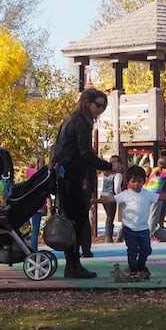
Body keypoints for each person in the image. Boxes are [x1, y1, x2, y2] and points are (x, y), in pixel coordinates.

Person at [51, 87, 117, 279]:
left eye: (103, 107)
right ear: (87, 102)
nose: (100, 110)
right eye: (98, 105)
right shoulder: (82, 122)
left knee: (72, 220)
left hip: (64, 176)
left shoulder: (69, 120)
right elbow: (84, 153)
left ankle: (73, 263)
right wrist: (107, 165)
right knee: (77, 221)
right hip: (73, 178)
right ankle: (73, 265)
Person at [94, 165, 166, 278]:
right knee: (132, 250)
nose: (136, 184)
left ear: (144, 181)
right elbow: (110, 199)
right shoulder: (125, 194)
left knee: (146, 250)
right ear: (128, 181)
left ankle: (141, 265)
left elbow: (160, 196)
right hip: (129, 229)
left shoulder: (147, 194)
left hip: (143, 229)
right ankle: (133, 269)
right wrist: (96, 200)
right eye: (133, 181)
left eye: (139, 181)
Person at [26, 155, 47, 251]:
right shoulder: (43, 173)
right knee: (36, 229)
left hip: (30, 203)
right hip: (40, 203)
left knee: (34, 227)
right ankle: (34, 249)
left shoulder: (29, 172)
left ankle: (33, 248)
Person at [101, 155, 123, 243]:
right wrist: (121, 196)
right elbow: (117, 188)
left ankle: (108, 236)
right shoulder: (118, 175)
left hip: (103, 195)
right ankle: (108, 237)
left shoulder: (106, 173)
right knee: (110, 217)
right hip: (111, 196)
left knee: (108, 217)